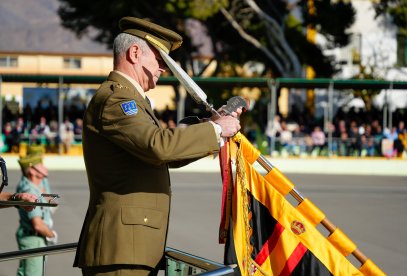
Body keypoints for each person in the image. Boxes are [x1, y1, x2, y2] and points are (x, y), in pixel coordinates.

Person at [73, 17, 241, 276]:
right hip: (121, 248)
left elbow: (163, 155)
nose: (163, 67)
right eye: (160, 58)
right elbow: (158, 146)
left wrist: (212, 127)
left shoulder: (129, 99)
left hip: (131, 246)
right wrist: (216, 129)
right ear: (135, 53)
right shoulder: (117, 98)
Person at [15, 152, 58, 276]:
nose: (44, 168)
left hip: (36, 238)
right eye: (40, 165)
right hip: (34, 238)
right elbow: (38, 225)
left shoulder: (35, 185)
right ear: (32, 171)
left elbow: (53, 202)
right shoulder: (29, 190)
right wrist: (52, 235)